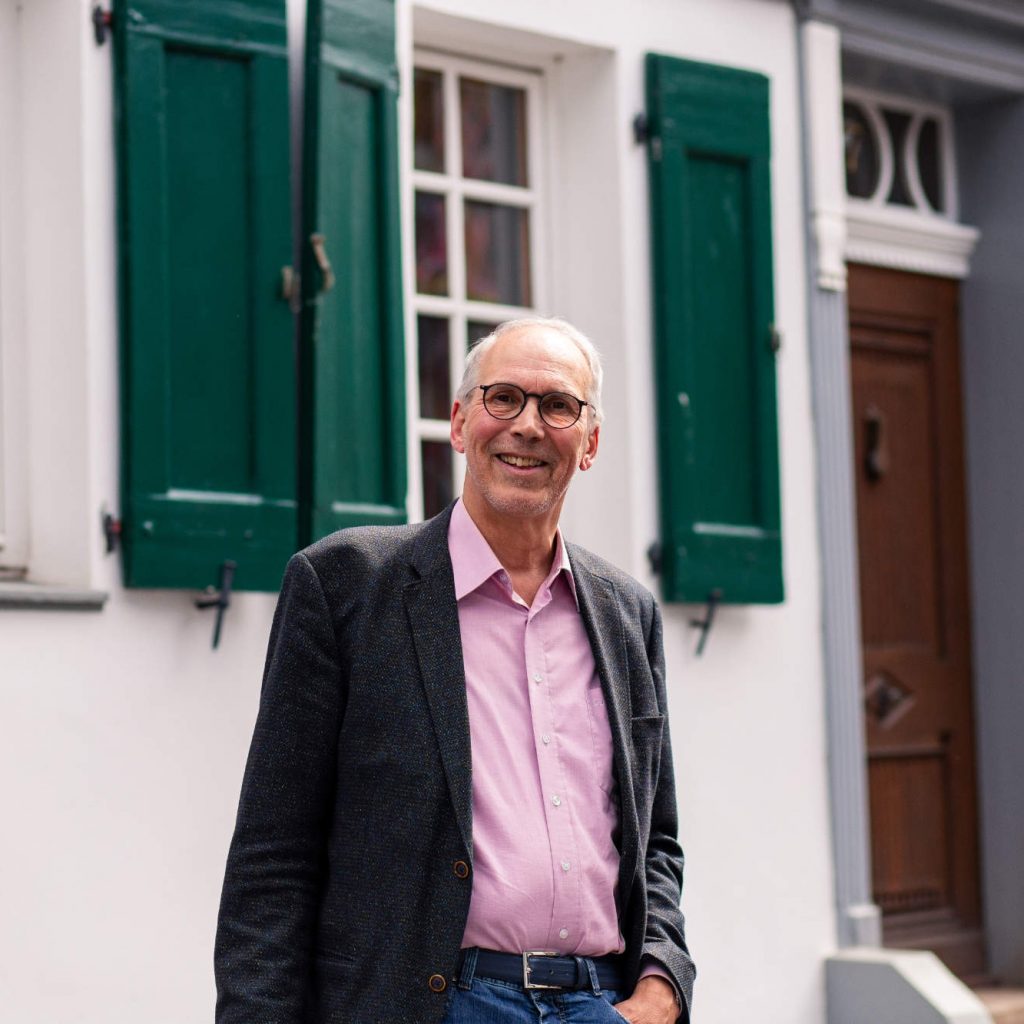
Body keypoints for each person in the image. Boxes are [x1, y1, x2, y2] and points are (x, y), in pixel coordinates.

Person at [215, 317, 695, 1023]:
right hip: (430, 1005)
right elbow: (274, 854)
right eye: (503, 398)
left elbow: (656, 839)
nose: (527, 425)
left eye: (557, 406)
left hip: (600, 1002)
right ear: (460, 422)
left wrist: (661, 981)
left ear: (590, 443)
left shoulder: (627, 613)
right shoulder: (346, 585)